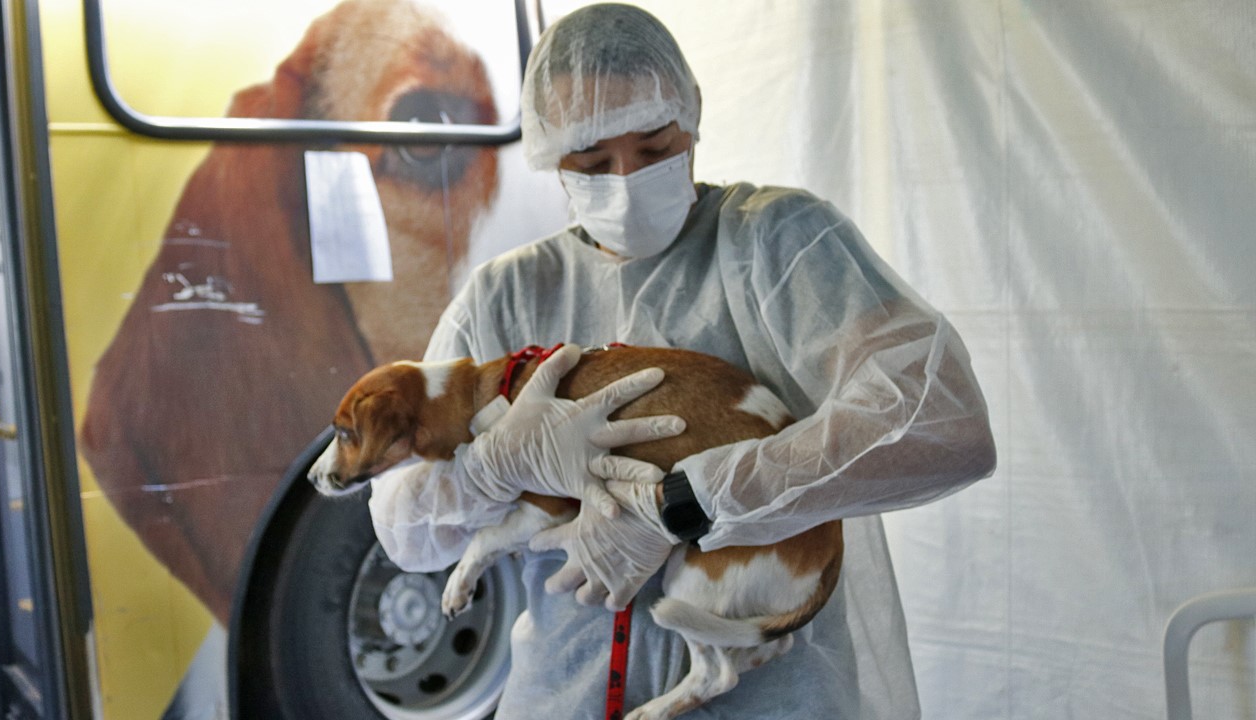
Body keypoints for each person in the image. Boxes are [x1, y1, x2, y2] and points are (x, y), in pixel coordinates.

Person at [368, 4, 997, 718]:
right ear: (550, 158)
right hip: (567, 691)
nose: (627, 177)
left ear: (691, 118)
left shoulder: (777, 245)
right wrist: (490, 468)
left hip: (767, 688)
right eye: (594, 162)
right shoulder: (507, 296)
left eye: (654, 147)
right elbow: (403, 531)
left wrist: (690, 502)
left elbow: (941, 424)